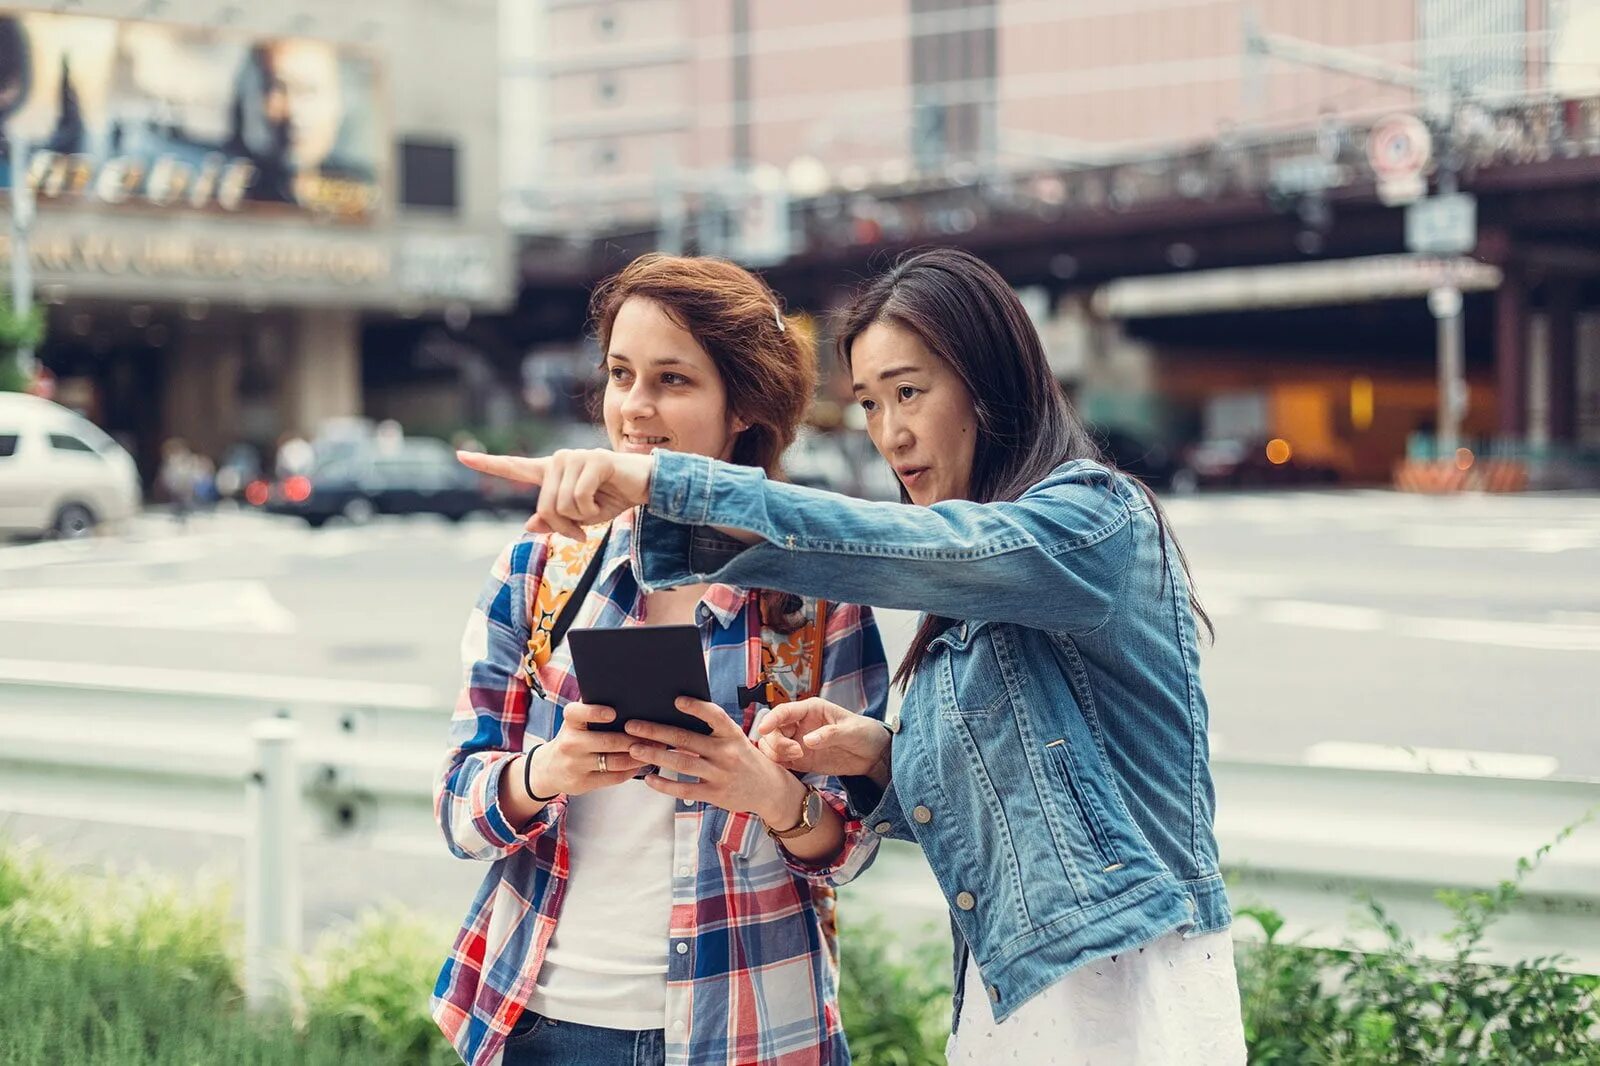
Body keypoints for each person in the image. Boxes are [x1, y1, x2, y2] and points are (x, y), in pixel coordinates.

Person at [460, 247, 1248, 1065]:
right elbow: (1016, 795)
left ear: (992, 382)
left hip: (1132, 991)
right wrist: (874, 752)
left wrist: (665, 489)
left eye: (910, 392)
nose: (890, 433)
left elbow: (900, 546)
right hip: (1012, 995)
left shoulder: (1088, 526)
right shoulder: (539, 572)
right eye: (870, 403)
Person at [432, 254, 889, 1066]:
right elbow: (458, 810)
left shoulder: (811, 595)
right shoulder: (539, 572)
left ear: (741, 405)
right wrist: (548, 771)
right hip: (544, 1023)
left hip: (754, 1030)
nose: (634, 408)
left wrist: (771, 794)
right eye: (620, 374)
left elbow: (853, 845)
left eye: (673, 380)